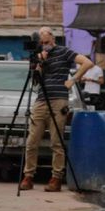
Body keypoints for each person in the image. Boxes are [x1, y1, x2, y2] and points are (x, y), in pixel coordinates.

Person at [20, 26, 76, 192]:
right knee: (31, 142)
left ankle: (56, 178)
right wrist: (39, 64)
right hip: (41, 100)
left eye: (47, 42)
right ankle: (28, 176)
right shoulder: (37, 56)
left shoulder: (64, 52)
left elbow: (87, 62)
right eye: (42, 42)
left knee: (56, 142)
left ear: (53, 39)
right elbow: (35, 82)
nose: (45, 45)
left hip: (59, 100)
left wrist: (74, 79)